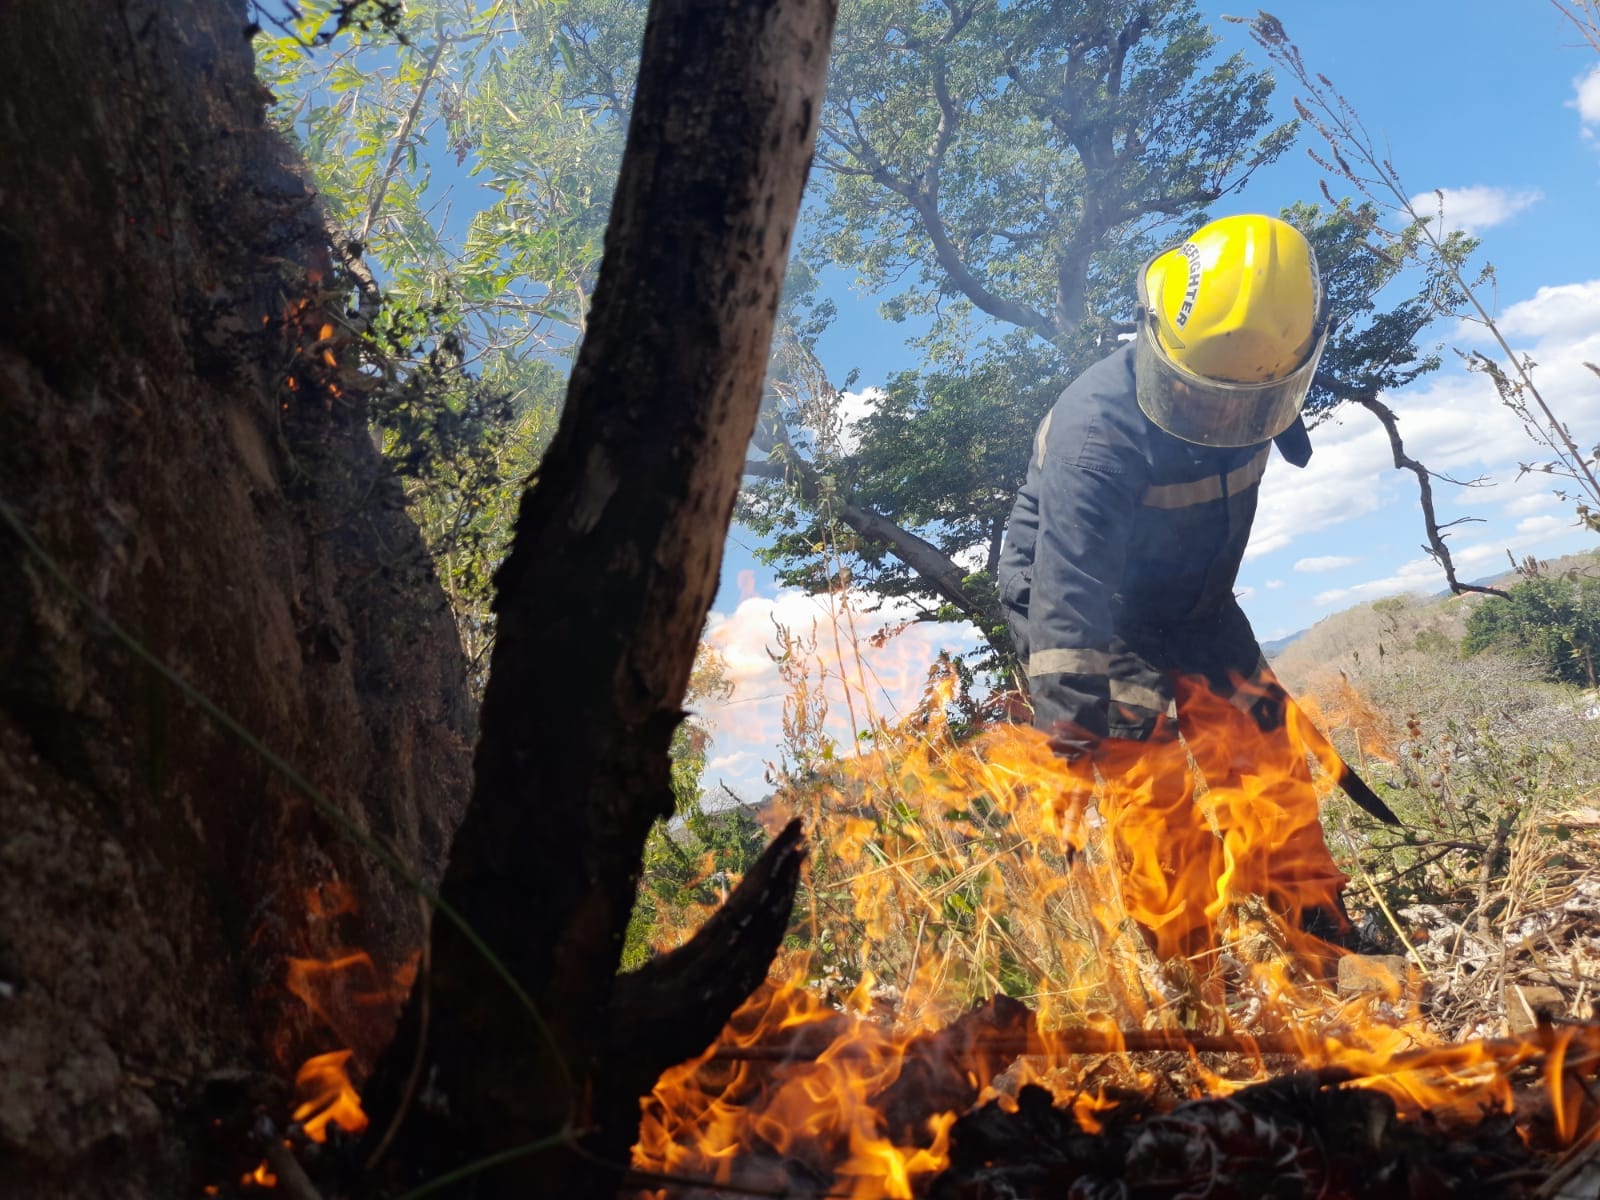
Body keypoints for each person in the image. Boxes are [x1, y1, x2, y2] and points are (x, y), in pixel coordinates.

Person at [997, 213, 1353, 959]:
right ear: (1154, 337)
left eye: (1245, 400)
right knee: (1149, 782)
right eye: (1203, 395)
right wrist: (1070, 745)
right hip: (1096, 611)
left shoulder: (1260, 377)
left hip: (1197, 600)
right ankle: (1190, 961)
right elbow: (1067, 597)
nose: (1224, 415)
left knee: (1264, 748)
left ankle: (1318, 928)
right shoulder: (1094, 436)